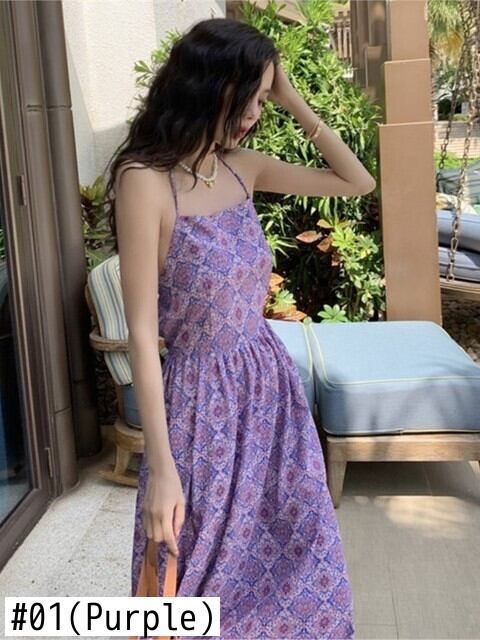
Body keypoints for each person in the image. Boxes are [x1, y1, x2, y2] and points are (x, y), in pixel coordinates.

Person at [106, 16, 375, 640]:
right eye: (250, 96)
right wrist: (161, 466)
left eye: (262, 97)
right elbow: (142, 335)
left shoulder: (240, 169)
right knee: (192, 575)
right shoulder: (145, 183)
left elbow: (356, 182)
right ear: (209, 86)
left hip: (269, 391)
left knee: (300, 560)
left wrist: (292, 97)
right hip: (199, 406)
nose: (256, 111)